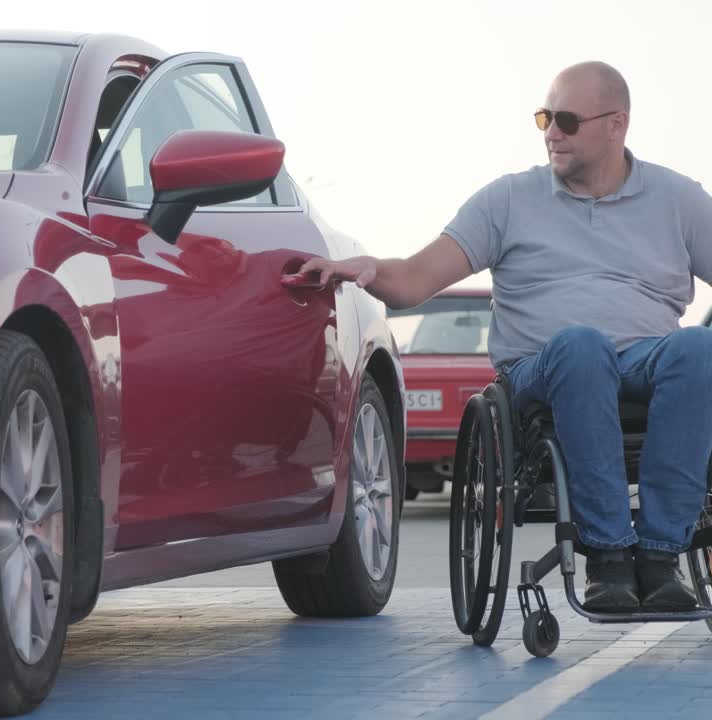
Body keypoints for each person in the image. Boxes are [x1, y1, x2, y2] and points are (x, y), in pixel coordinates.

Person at [294, 61, 712, 612]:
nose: (551, 132)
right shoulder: (509, 200)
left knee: (699, 348)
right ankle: (609, 556)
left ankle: (660, 556)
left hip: (643, 360)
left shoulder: (678, 199)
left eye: (565, 119)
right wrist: (368, 268)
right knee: (581, 346)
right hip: (542, 368)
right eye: (544, 117)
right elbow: (417, 277)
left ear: (617, 125)